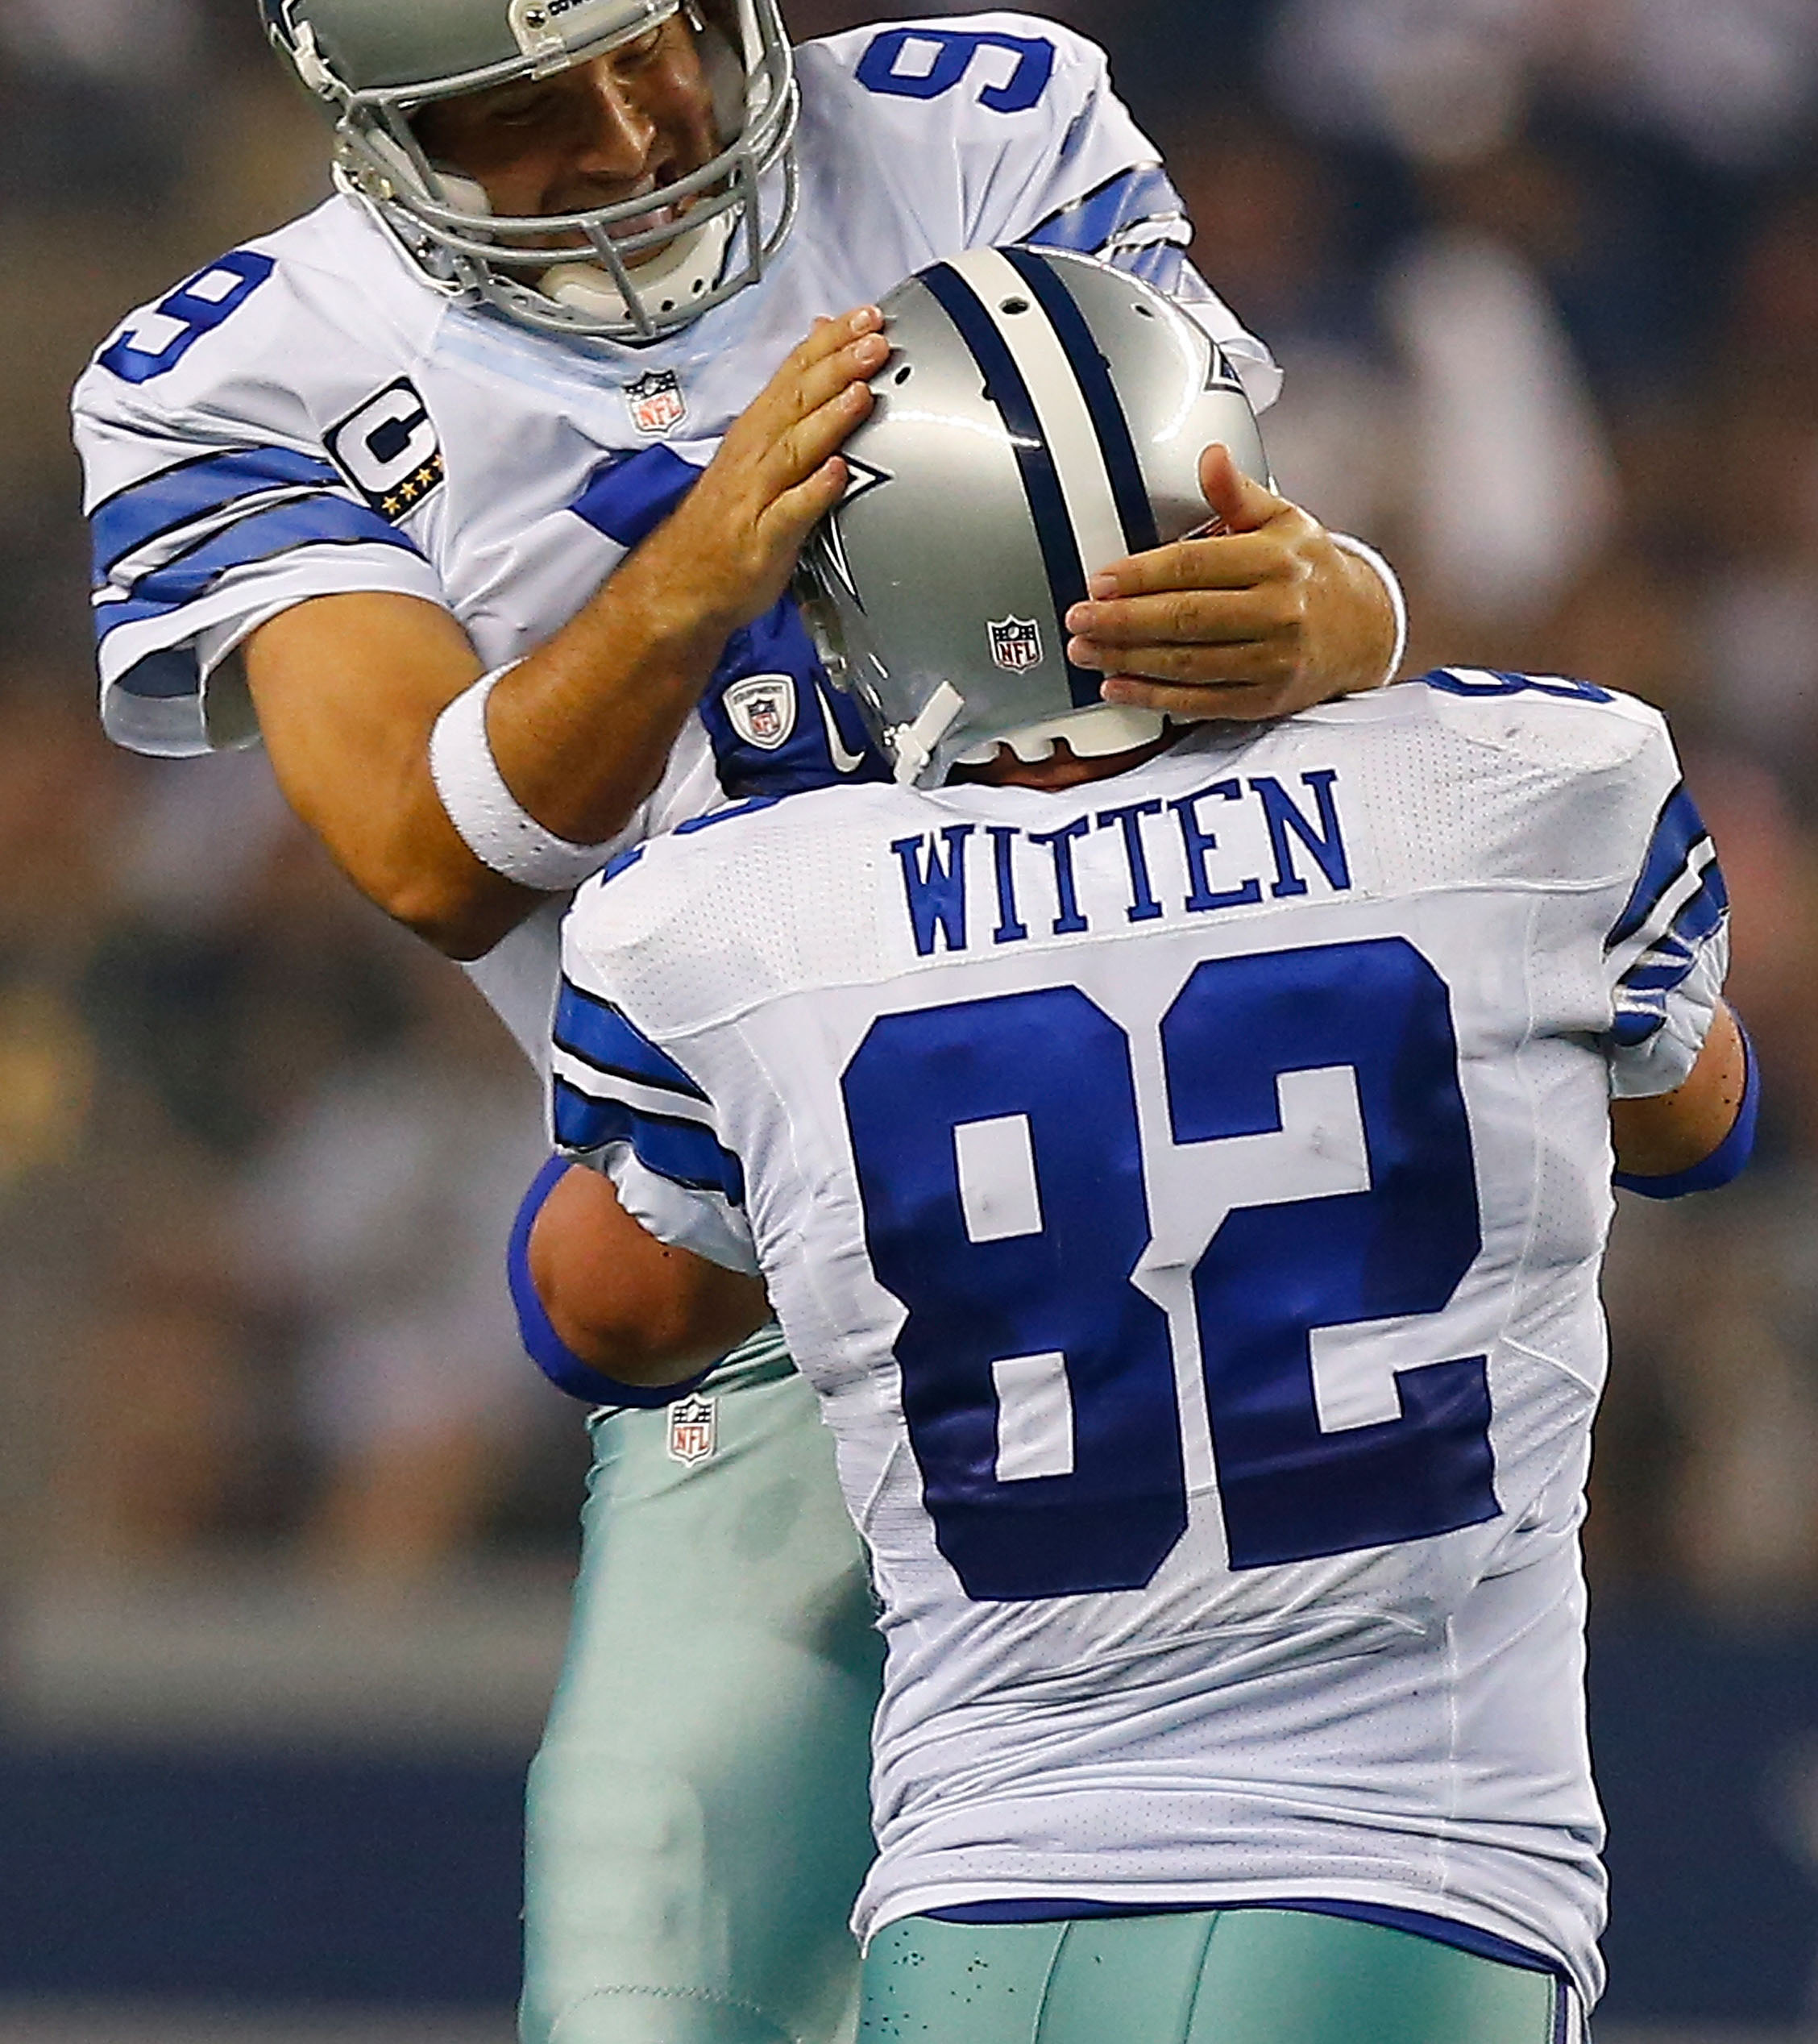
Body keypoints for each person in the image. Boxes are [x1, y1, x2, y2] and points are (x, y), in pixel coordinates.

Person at [71, 0, 1405, 2043]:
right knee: (644, 1982)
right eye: (522, 109)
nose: (633, 135)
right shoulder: (237, 377)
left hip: (1187, 1210)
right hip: (769, 1299)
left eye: (655, 40)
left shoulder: (981, 125)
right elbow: (417, 851)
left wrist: (1354, 611)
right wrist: (691, 578)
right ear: (367, 126)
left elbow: (1233, 632)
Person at [521, 247, 1753, 2043]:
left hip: (972, 1919)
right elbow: (1696, 1117)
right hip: (1408, 1896)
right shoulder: (1530, 791)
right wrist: (1366, 660)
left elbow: (595, 1320)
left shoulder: (733, 920)